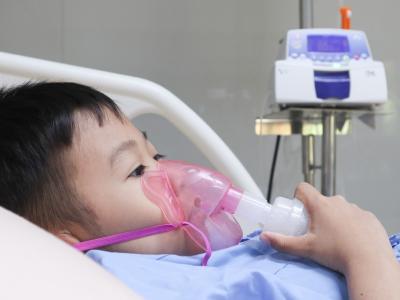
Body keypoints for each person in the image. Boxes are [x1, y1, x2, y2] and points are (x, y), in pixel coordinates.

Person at [0, 82, 398, 299]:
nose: (173, 175)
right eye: (138, 170)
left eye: (159, 156)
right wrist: (366, 253)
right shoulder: (134, 286)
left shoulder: (221, 260)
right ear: (60, 244)